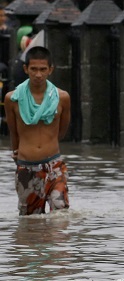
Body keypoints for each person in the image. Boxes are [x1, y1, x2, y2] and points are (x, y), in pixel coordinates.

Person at [4, 46, 71, 216]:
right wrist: (17, 153)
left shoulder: (62, 98)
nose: (38, 74)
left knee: (60, 212)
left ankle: (57, 243)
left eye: (43, 69)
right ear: (26, 69)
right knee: (30, 222)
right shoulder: (13, 99)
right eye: (34, 69)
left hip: (54, 165)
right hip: (26, 167)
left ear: (50, 70)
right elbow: (13, 132)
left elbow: (62, 131)